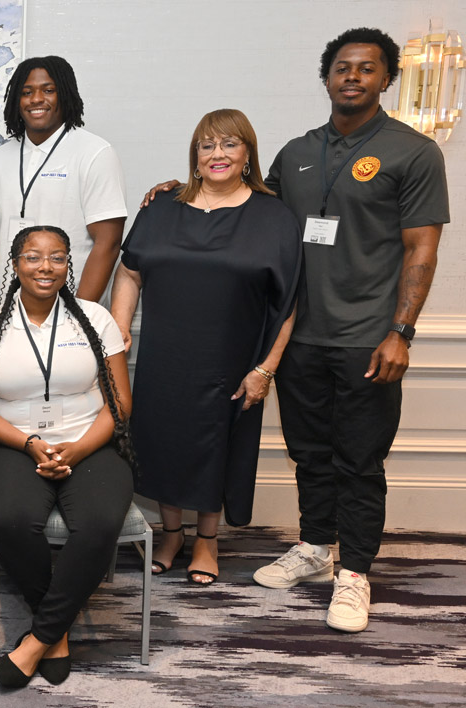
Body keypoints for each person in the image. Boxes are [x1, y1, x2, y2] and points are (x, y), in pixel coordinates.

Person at [145, 28, 448, 632]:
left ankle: (354, 573)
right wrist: (174, 192)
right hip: (300, 337)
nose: (353, 77)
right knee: (308, 454)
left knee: (359, 460)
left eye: (367, 69)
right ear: (327, 77)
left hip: (368, 335)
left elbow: (422, 249)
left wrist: (402, 332)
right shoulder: (297, 152)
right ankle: (314, 547)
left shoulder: (414, 153)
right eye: (342, 68)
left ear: (387, 78)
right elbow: (245, 203)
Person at [111, 109, 302, 585]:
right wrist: (118, 326)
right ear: (195, 157)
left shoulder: (273, 215)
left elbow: (290, 300)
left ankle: (207, 543)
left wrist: (267, 369)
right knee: (163, 443)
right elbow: (130, 269)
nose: (218, 154)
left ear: (247, 155)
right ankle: (172, 534)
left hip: (232, 360)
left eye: (230, 144)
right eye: (207, 145)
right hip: (164, 356)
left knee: (218, 448)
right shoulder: (161, 206)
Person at [0, 225, 136, 687]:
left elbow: (119, 401)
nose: (46, 267)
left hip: (91, 441)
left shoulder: (96, 318)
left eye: (57, 257)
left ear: (68, 264)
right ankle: (56, 632)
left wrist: (78, 448)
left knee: (101, 523)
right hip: (16, 443)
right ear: (15, 264)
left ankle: (38, 637)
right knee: (11, 521)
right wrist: (30, 444)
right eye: (33, 257)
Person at [0, 56, 127, 304]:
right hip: (9, 311)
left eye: (49, 90)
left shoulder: (95, 153)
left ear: (65, 95)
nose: (36, 100)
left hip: (71, 308)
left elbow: (108, 242)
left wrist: (80, 312)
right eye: (26, 92)